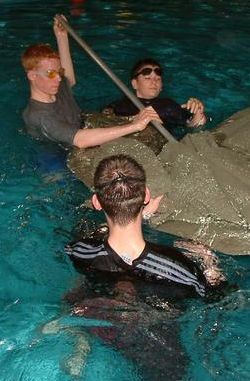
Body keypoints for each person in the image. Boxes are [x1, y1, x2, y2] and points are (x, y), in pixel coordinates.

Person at [66, 154, 225, 298]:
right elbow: (216, 298)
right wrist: (209, 263)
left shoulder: (78, 251)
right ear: (147, 195)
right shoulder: (180, 271)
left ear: (96, 202)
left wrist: (143, 214)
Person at [21, 16, 161, 148]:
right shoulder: (39, 116)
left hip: (82, 126)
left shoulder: (52, 86)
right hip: (61, 152)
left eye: (59, 72)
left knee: (149, 134)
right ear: (32, 76)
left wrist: (62, 37)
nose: (58, 78)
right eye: (51, 73)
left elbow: (70, 78)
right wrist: (134, 126)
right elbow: (80, 141)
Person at [104, 58, 207, 137]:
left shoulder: (169, 106)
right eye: (147, 78)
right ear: (134, 84)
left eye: (158, 79)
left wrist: (198, 112)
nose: (154, 82)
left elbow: (193, 128)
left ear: (161, 86)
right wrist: (132, 120)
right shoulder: (118, 106)